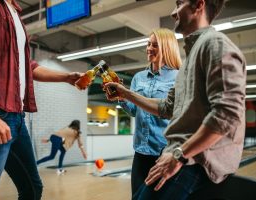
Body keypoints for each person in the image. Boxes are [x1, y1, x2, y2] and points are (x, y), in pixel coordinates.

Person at [104, 0, 246, 199]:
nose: (172, 13)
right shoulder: (191, 57)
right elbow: (167, 107)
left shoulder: (215, 44)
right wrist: (125, 94)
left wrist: (180, 154)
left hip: (193, 162)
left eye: (179, 3)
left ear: (198, 5)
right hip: (177, 155)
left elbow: (227, 113)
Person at [0, 0, 84, 199]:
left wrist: (66, 78)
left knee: (32, 189)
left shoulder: (15, 11)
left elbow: (28, 65)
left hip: (16, 117)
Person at [118, 28, 181, 196]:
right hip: (140, 152)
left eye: (155, 45)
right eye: (148, 44)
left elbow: (179, 114)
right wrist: (121, 97)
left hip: (164, 154)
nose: (149, 48)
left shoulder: (178, 77)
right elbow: (133, 111)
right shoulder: (138, 77)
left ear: (166, 48)